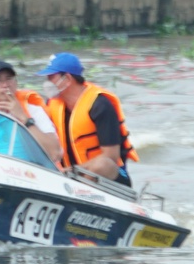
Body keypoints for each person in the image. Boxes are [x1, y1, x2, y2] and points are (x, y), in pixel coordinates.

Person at [38, 51, 136, 185]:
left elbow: (110, 157)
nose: (47, 83)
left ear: (67, 79)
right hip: (69, 177)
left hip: (110, 177)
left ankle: (80, 192)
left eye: (51, 77)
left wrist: (72, 171)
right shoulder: (52, 104)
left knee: (102, 164)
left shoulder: (100, 105)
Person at [0, 59, 58, 155]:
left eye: (9, 79)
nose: (5, 85)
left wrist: (24, 119)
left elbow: (55, 153)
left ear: (16, 83)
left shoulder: (34, 111)